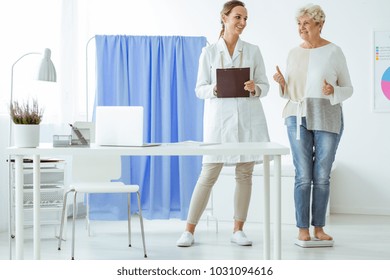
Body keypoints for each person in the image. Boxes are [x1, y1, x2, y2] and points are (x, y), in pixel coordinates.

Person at [176, 0, 270, 247]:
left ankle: (238, 229)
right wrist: (216, 89)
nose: (242, 23)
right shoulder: (208, 52)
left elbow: (265, 86)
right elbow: (199, 89)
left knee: (245, 173)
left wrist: (255, 87)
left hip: (248, 120)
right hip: (218, 122)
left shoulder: (253, 50)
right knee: (208, 174)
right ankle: (189, 230)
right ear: (224, 18)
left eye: (245, 19)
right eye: (238, 17)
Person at [273, 4, 353, 242]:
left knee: (321, 176)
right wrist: (281, 84)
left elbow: (348, 88)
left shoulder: (334, 51)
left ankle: (319, 227)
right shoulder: (293, 53)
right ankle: (302, 229)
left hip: (327, 115)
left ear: (320, 24)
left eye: (306, 23)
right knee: (302, 175)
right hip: (296, 114)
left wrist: (333, 90)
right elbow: (291, 92)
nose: (301, 28)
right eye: (299, 24)